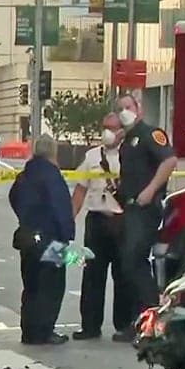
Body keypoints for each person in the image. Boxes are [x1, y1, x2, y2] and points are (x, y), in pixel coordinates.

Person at [115, 94, 177, 339]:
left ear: (138, 108)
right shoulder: (127, 140)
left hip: (144, 209)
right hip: (129, 210)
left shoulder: (150, 134)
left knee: (134, 261)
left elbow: (169, 160)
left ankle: (153, 320)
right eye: (119, 108)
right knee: (129, 265)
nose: (124, 112)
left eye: (128, 107)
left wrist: (150, 191)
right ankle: (141, 321)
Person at [70, 112, 130, 341]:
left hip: (121, 221)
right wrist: (69, 220)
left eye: (112, 128)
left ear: (122, 131)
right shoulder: (92, 156)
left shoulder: (131, 155)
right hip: (96, 220)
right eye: (104, 127)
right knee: (92, 275)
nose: (107, 132)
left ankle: (124, 325)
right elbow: (80, 190)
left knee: (123, 276)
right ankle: (90, 326)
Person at [9, 135, 73, 346]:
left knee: (31, 284)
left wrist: (25, 218)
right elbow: (61, 208)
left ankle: (28, 331)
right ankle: (45, 331)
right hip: (50, 238)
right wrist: (66, 235)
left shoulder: (24, 175)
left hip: (28, 237)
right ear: (53, 152)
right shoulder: (53, 177)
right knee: (51, 286)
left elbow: (13, 197)